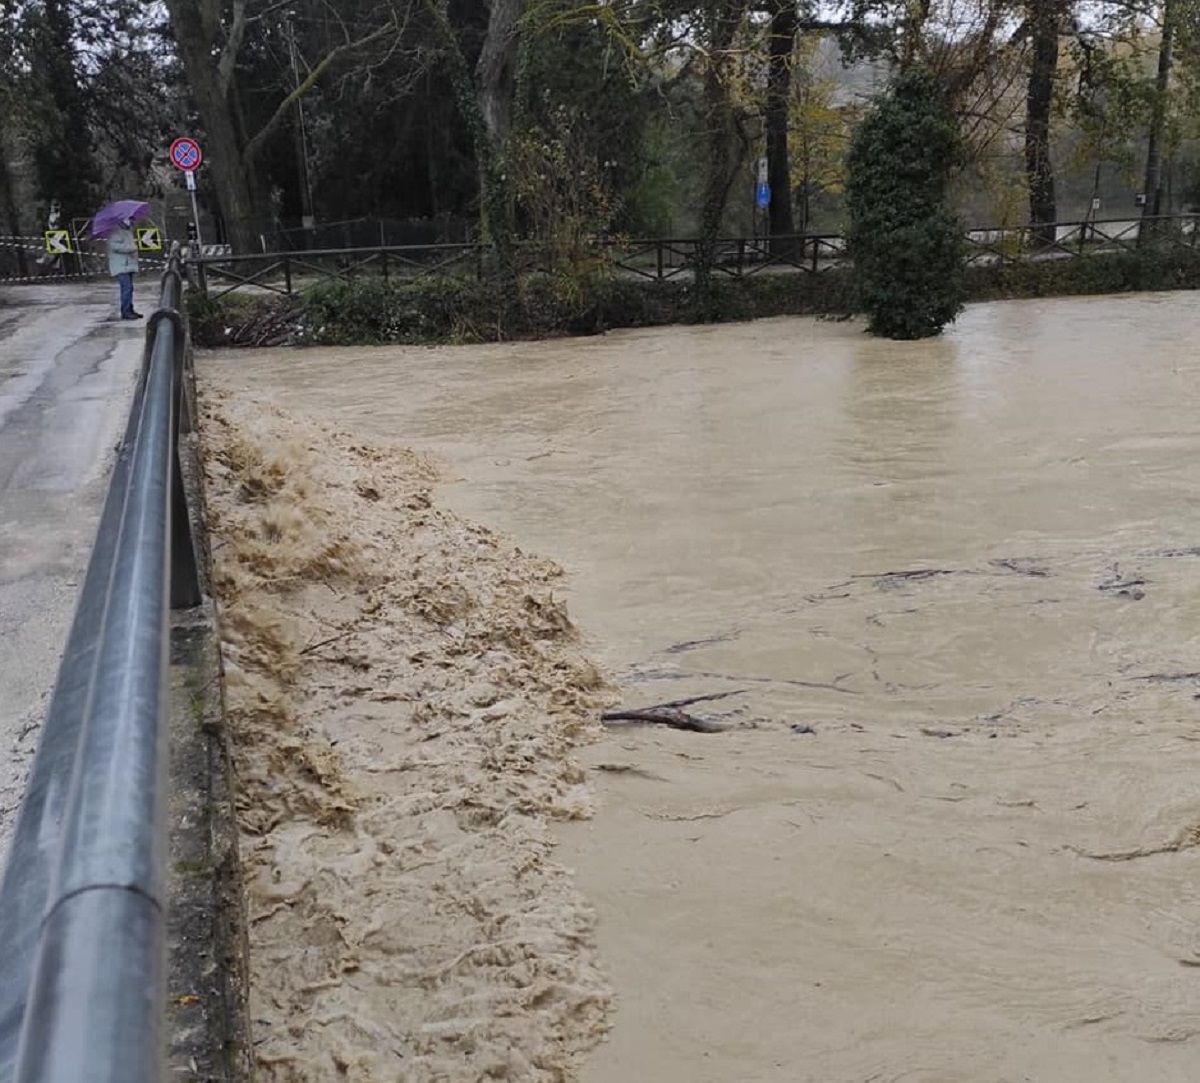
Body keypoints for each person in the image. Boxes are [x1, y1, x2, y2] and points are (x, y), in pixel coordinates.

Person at [107, 219, 142, 320]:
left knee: (129, 288)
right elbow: (114, 246)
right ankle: (125, 311)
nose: (131, 221)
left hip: (128, 263)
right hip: (121, 265)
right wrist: (131, 248)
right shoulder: (115, 231)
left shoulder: (128, 231)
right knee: (126, 288)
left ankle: (129, 309)